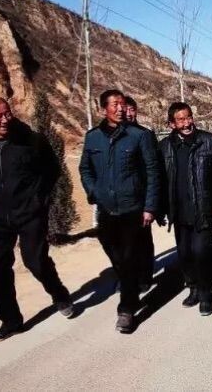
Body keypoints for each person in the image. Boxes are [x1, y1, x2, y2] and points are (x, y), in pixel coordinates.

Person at [0, 97, 73, 343]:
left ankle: (59, 293)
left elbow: (52, 170)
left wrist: (39, 199)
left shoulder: (31, 140)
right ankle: (10, 321)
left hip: (30, 213)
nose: (5, 119)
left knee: (35, 261)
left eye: (8, 113)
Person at [79, 89, 160, 333]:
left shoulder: (139, 136)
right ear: (103, 108)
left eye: (123, 104)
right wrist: (94, 191)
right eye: (115, 104)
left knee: (128, 258)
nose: (121, 108)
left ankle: (126, 309)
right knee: (116, 258)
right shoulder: (93, 138)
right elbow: (85, 169)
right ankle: (130, 286)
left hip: (132, 209)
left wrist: (149, 207)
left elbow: (152, 172)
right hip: (106, 210)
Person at [158, 102, 212, 316]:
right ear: (171, 124)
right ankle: (193, 288)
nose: (187, 123)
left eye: (189, 117)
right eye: (181, 120)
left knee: (201, 252)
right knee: (184, 254)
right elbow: (160, 181)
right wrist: (160, 209)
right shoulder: (164, 147)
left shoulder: (209, 141)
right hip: (178, 211)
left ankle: (206, 294)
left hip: (203, 208)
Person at [125, 96, 157, 293]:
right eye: (126, 109)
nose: (129, 114)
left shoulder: (145, 134)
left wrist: (151, 203)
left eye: (132, 109)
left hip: (141, 196)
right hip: (121, 199)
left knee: (142, 240)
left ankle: (145, 275)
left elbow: (153, 169)